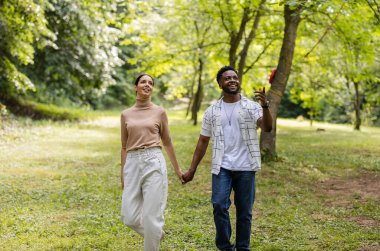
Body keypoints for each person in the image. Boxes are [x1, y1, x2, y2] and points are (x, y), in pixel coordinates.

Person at [182, 66, 273, 251]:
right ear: (220, 83)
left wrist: (265, 106)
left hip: (246, 166)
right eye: (227, 78)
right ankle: (224, 247)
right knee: (218, 205)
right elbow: (202, 141)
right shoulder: (212, 111)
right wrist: (192, 169)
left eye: (235, 77)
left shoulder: (252, 106)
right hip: (221, 167)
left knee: (244, 212)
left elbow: (267, 127)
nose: (232, 80)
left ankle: (242, 248)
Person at [120, 74, 183, 251]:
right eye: (143, 82)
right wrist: (122, 174)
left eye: (150, 83)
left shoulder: (159, 112)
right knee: (129, 217)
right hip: (132, 162)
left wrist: (177, 170)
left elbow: (168, 142)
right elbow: (124, 147)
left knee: (151, 218)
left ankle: (153, 232)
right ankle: (155, 233)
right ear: (136, 87)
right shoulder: (125, 115)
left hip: (153, 160)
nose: (147, 85)